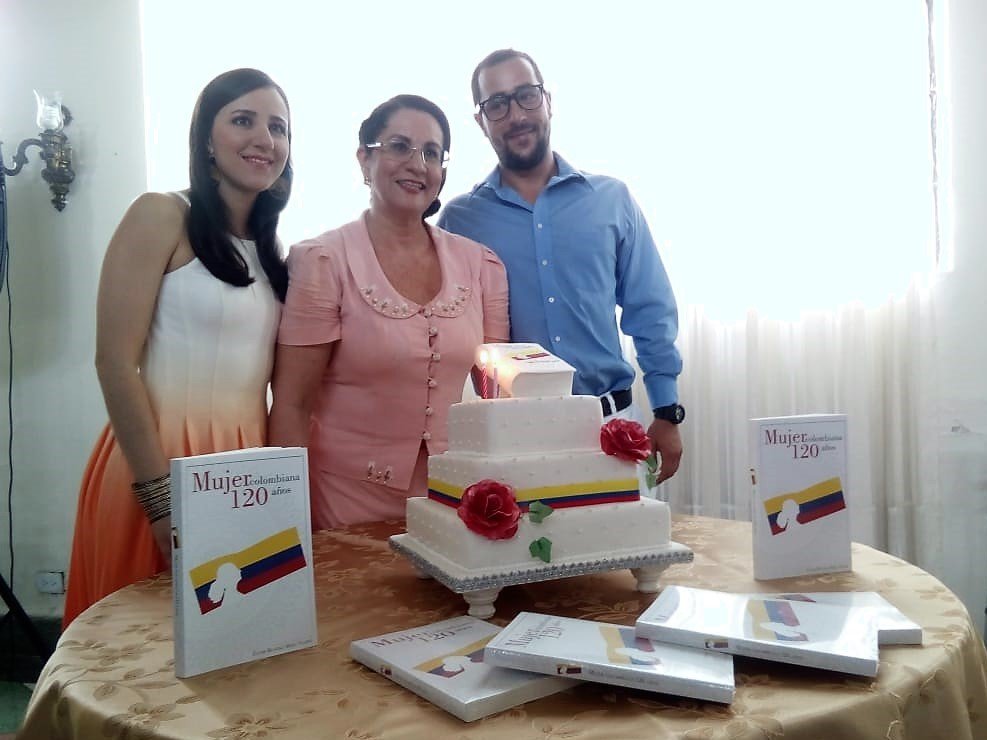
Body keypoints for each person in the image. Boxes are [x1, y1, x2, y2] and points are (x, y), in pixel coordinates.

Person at [62, 68, 293, 627]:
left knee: (236, 640)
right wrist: (160, 499)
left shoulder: (273, 250)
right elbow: (114, 362)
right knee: (140, 645)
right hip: (158, 460)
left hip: (245, 470)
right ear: (207, 138)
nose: (264, 139)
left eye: (278, 127)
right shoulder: (161, 213)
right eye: (243, 120)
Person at [438, 49, 685, 483]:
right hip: (513, 439)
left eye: (526, 95)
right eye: (497, 104)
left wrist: (667, 410)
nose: (516, 115)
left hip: (614, 431)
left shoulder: (612, 200)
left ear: (548, 101)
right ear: (480, 120)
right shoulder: (460, 221)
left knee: (629, 532)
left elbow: (651, 311)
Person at [268, 94, 509, 529]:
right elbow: (292, 404)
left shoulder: (482, 266)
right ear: (365, 159)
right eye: (399, 146)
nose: (417, 164)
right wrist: (286, 521)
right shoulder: (323, 261)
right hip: (342, 505)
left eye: (432, 153)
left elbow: (500, 399)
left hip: (454, 498)